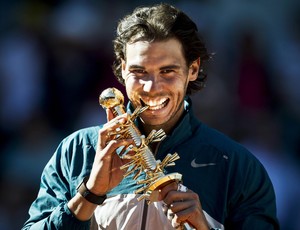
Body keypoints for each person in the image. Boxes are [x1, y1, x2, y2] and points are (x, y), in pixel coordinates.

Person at [22, 3, 279, 230]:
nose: (151, 87)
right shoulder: (78, 151)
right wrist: (90, 194)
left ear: (193, 69)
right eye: (139, 71)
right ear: (122, 70)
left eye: (167, 71)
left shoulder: (236, 166)